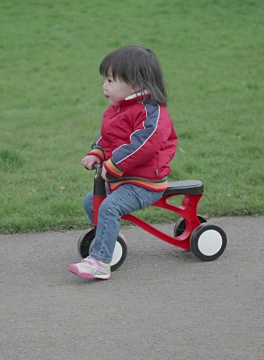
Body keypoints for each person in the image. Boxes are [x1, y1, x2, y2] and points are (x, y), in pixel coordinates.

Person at [69, 45, 178, 280]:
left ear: (135, 84)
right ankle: (112, 240)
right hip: (125, 178)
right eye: (105, 79)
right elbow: (109, 137)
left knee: (109, 206)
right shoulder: (119, 110)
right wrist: (98, 153)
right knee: (92, 203)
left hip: (145, 182)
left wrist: (113, 164)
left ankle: (100, 262)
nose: (104, 86)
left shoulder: (152, 114)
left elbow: (143, 145)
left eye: (110, 80)